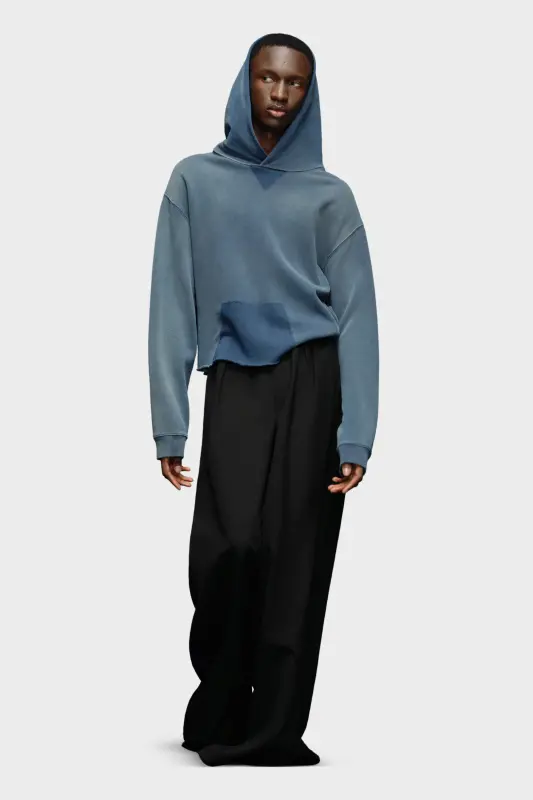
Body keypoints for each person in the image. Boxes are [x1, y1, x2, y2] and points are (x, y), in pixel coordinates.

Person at [148, 32, 379, 767]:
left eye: (295, 82)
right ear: (245, 82)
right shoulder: (194, 181)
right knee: (229, 549)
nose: (280, 93)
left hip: (315, 379)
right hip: (236, 378)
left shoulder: (330, 196)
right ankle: (219, 704)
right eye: (267, 78)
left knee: (295, 558)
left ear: (310, 93)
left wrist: (356, 432)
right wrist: (169, 423)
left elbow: (357, 316)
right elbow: (171, 301)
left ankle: (274, 726)